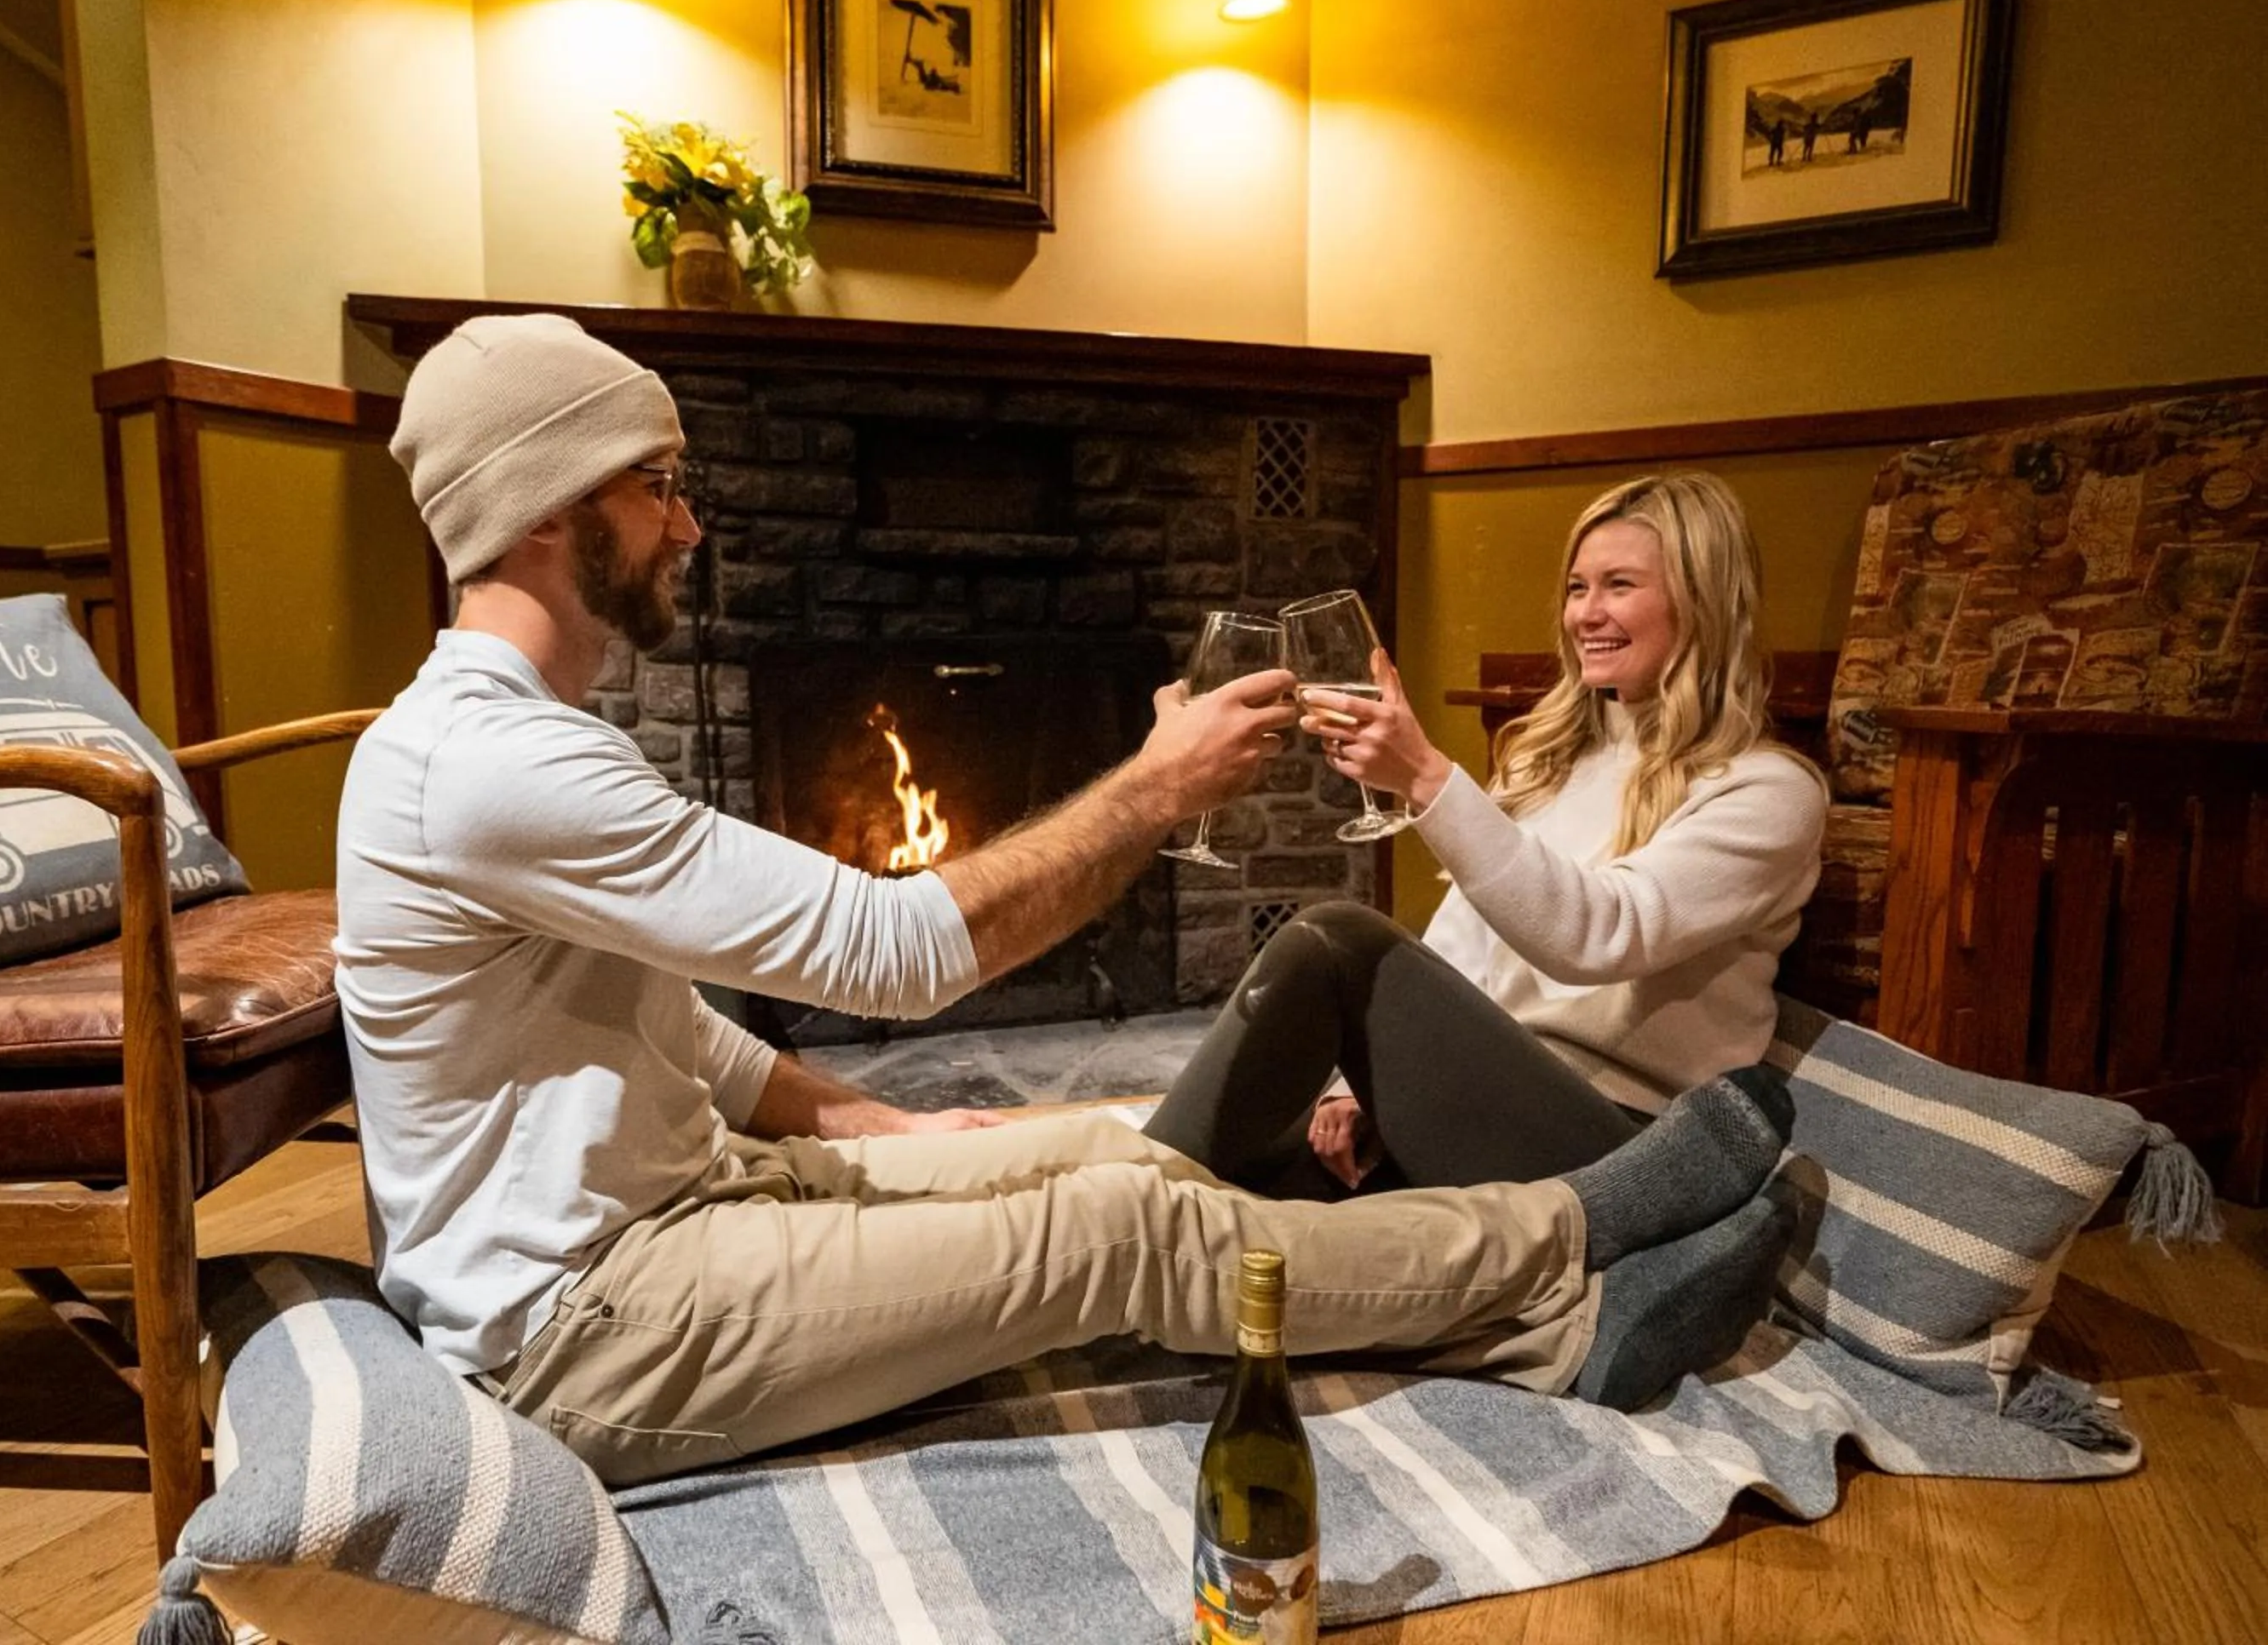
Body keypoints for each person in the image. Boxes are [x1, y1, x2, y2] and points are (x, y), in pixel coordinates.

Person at [337, 318, 1800, 1488]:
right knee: (1120, 1241)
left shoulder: (527, 748)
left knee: (1121, 1156)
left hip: (695, 1206)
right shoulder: (488, 765)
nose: (693, 524)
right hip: (595, 1327)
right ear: (542, 507)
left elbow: (676, 1034)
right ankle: (1569, 1242)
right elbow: (892, 950)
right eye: (655, 482)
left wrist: (882, 1127)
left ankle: (1539, 1341)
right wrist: (1157, 787)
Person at [1141, 474, 1828, 1217]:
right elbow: (1462, 945)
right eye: (1576, 588)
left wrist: (1429, 780)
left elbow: (1603, 936)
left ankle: (1120, 1201)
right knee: (1248, 1184)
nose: (1585, 614)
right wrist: (1356, 1083)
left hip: (1624, 1145)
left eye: (1618, 586)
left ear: (1703, 601)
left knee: (1333, 940)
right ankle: (1119, 1225)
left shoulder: (1769, 793)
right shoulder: (1551, 758)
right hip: (1487, 1096)